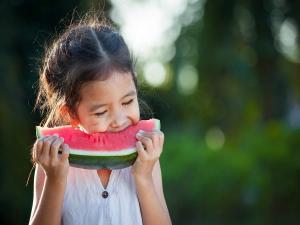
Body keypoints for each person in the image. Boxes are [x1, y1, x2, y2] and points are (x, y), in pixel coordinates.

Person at [29, 15, 172, 225]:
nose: (119, 120)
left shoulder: (147, 159)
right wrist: (55, 180)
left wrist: (143, 178)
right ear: (70, 113)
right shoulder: (52, 163)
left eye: (128, 101)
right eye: (100, 112)